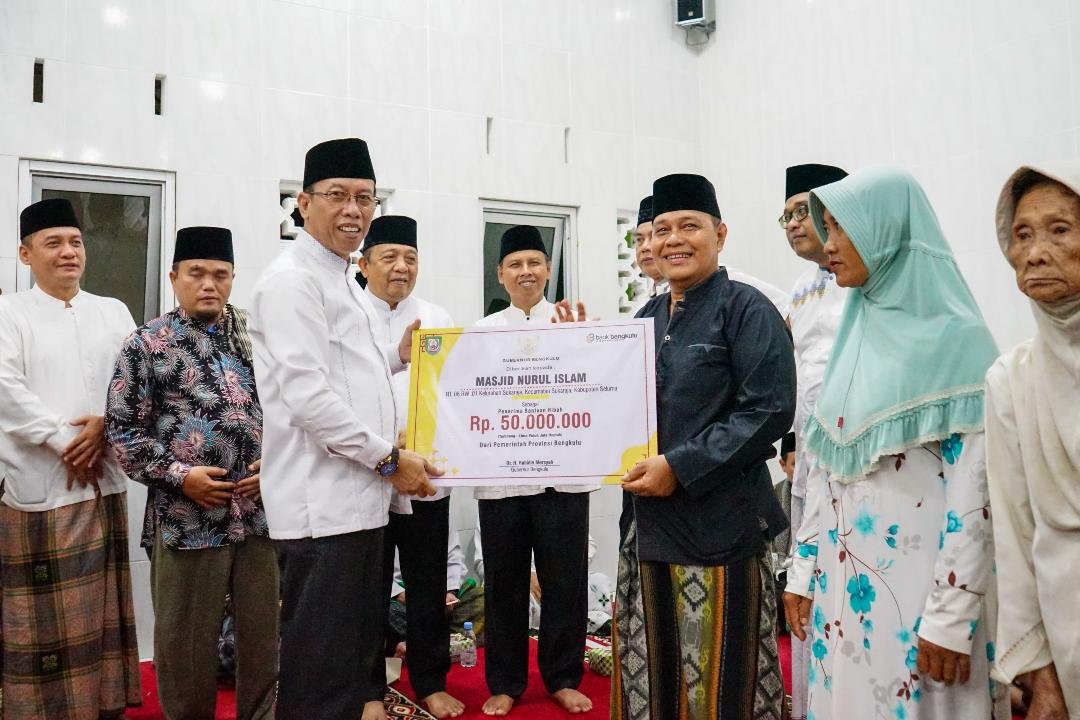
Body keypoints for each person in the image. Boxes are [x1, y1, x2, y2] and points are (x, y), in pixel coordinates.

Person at [782, 167, 1009, 719]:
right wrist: (803, 570)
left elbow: (975, 496)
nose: (827, 245)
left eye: (839, 229)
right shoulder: (853, 340)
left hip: (922, 603)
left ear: (884, 231)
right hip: (845, 595)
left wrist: (952, 618)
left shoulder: (959, 342)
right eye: (825, 227)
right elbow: (826, 467)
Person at [249, 138, 439, 720]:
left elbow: (340, 370)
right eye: (337, 196)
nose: (353, 209)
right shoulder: (292, 281)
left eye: (364, 197)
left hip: (357, 508)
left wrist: (393, 358)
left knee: (349, 666)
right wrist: (388, 459)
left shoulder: (340, 280)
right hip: (321, 511)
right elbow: (307, 395)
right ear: (303, 203)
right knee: (320, 675)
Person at [614, 173, 796, 720]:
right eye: (662, 229)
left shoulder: (748, 310)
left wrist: (680, 464)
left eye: (688, 226)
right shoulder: (645, 317)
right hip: (646, 528)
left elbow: (768, 410)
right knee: (653, 674)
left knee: (722, 678)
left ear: (719, 233)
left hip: (720, 528)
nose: (673, 240)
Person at [105, 226, 277, 720]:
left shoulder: (255, 335)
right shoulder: (148, 344)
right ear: (175, 277)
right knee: (184, 646)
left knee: (263, 637)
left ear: (232, 278)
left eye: (220, 274)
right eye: (197, 273)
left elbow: (291, 410)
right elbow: (123, 432)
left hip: (260, 516)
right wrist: (182, 476)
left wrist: (276, 465)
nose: (209, 284)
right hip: (187, 521)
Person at [0, 198, 141, 719]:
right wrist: (67, 441)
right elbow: (5, 392)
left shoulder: (114, 311)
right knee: (39, 632)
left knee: (100, 625)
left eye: (76, 242)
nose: (68, 253)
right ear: (25, 253)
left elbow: (134, 386)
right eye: (53, 243)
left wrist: (106, 426)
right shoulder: (8, 314)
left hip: (104, 485)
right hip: (41, 492)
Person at [473, 224, 596, 716]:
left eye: (534, 263)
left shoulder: (575, 324)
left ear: (549, 270)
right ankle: (505, 681)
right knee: (504, 582)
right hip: (501, 479)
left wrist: (585, 342)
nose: (526, 272)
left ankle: (564, 676)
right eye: (515, 265)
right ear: (501, 274)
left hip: (563, 475)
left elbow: (598, 383)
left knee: (565, 579)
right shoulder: (479, 334)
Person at [359, 214, 464, 719]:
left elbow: (457, 394)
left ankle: (430, 680)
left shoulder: (437, 315)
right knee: (367, 588)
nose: (402, 267)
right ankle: (367, 689)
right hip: (366, 478)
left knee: (428, 586)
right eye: (389, 257)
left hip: (426, 479)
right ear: (364, 264)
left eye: (411, 258)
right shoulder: (347, 313)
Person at [985, 162, 1080, 719]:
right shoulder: (1011, 379)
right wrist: (1039, 672)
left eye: (1060, 230)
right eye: (1022, 234)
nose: (1036, 252)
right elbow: (1016, 538)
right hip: (1067, 627)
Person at [779, 162, 849, 720]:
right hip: (810, 460)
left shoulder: (865, 278)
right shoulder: (800, 290)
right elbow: (795, 374)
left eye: (803, 210)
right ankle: (808, 705)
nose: (793, 224)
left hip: (858, 459)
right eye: (786, 216)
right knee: (805, 588)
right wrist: (790, 441)